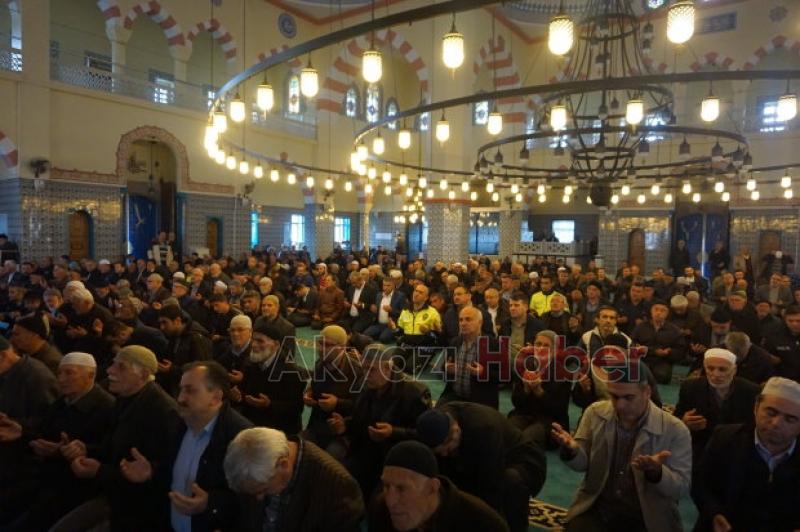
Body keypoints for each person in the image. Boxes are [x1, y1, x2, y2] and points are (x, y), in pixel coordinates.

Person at [552, 361, 692, 532]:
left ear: (647, 392)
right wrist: (572, 450)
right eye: (614, 396)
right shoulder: (595, 413)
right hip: (599, 509)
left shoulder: (675, 429)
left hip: (646, 517)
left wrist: (657, 473)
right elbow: (582, 465)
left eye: (628, 397)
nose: (619, 405)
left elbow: (681, 488)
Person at [119, 361, 253, 532]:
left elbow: (251, 498)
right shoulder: (177, 423)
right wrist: (151, 472)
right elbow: (173, 475)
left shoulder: (241, 437)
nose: (180, 398)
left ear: (216, 397)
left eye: (190, 391)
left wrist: (210, 503)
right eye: (181, 389)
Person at [59, 345, 181, 531]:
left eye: (121, 367)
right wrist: (86, 450)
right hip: (114, 495)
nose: (109, 370)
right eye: (113, 365)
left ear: (143, 374)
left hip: (138, 511)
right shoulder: (126, 398)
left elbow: (157, 476)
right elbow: (113, 448)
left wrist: (100, 471)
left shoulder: (162, 412)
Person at [9, 352, 115, 531]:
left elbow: (104, 451)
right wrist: (22, 431)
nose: (61, 379)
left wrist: (65, 451)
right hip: (47, 480)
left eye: (69, 373)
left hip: (74, 491)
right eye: (59, 373)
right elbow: (44, 431)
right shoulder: (63, 401)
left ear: (90, 375)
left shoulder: (106, 408)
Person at [416, 402, 546, 532]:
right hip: (479, 460)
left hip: (523, 460)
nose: (444, 454)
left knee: (510, 482)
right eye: (439, 452)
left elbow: (491, 488)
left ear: (456, 429)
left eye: (447, 449)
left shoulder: (484, 429)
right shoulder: (435, 421)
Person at [693, 377, 800, 531]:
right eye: (771, 413)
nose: (776, 423)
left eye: (790, 419)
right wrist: (714, 514)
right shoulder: (726, 438)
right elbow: (700, 483)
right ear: (756, 407)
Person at [328, 344, 431, 497]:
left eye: (372, 369)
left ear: (388, 368)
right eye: (364, 368)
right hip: (365, 452)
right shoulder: (365, 385)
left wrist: (393, 433)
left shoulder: (415, 393)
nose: (366, 374)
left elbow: (426, 436)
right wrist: (346, 425)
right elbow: (361, 420)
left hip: (394, 460)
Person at [223, 427, 364, 532]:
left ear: (283, 465)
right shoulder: (255, 467)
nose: (258, 498)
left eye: (263, 490)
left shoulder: (338, 488)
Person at [369, 440, 509, 532]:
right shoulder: (381, 510)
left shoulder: (483, 524)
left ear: (432, 488)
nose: (390, 501)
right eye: (386, 486)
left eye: (402, 489)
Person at [0, 337, 58, 524]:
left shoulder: (36, 377)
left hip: (23, 466)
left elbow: (50, 424)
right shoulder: (8, 371)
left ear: (2, 356)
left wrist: (17, 425)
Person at [673, 348, 760, 467]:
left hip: (737, 447)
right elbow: (676, 418)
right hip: (700, 444)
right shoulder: (690, 387)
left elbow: (756, 425)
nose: (716, 374)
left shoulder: (751, 391)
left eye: (722, 369)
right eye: (710, 368)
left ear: (734, 370)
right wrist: (684, 422)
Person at [233, 322, 306, 435]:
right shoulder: (250, 364)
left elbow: (295, 409)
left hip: (278, 429)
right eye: (253, 340)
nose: (254, 345)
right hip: (252, 422)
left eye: (260, 341)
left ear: (276, 345)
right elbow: (245, 394)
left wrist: (269, 405)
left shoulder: (292, 372)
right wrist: (238, 396)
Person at [439, 306, 501, 409]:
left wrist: (483, 373)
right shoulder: (455, 342)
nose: (463, 323)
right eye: (460, 320)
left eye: (468, 319)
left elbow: (506, 377)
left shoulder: (493, 345)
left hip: (480, 400)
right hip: (454, 396)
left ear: (480, 322)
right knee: (434, 418)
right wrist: (446, 368)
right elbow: (444, 368)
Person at [158, 304, 213, 396]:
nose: (162, 327)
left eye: (165, 322)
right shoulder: (174, 335)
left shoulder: (196, 337)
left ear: (177, 321)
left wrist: (172, 369)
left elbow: (201, 370)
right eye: (160, 323)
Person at [632, 300, 686, 384]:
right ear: (651, 311)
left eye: (662, 310)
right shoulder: (640, 327)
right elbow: (633, 346)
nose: (658, 313)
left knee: (662, 377)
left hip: (662, 361)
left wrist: (669, 352)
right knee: (639, 376)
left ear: (667, 314)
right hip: (644, 359)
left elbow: (681, 350)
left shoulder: (674, 330)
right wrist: (653, 351)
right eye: (656, 309)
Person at [761, 303, 800, 381]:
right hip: (783, 379)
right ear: (785, 320)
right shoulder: (774, 336)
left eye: (798, 321)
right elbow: (766, 360)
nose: (794, 324)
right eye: (791, 321)